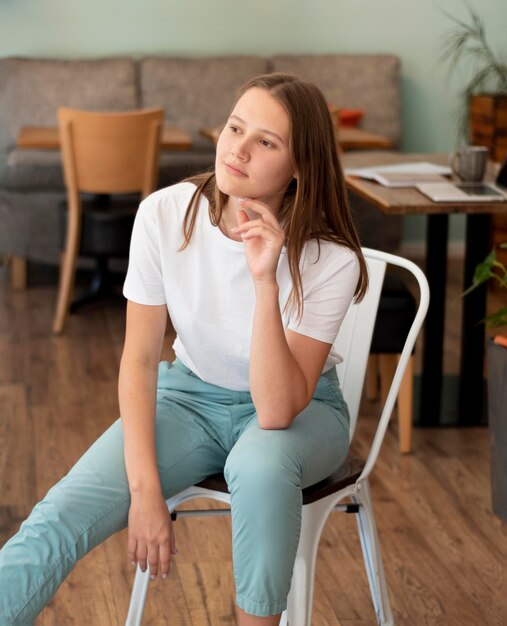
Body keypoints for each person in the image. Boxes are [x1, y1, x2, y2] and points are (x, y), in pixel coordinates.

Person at [0, 72, 368, 625]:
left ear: (300, 168)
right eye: (235, 126)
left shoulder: (327, 257)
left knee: (260, 463)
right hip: (188, 397)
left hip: (301, 411)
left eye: (266, 142)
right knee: (59, 515)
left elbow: (275, 410)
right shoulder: (164, 214)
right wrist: (145, 492)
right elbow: (141, 358)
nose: (237, 149)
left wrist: (266, 280)